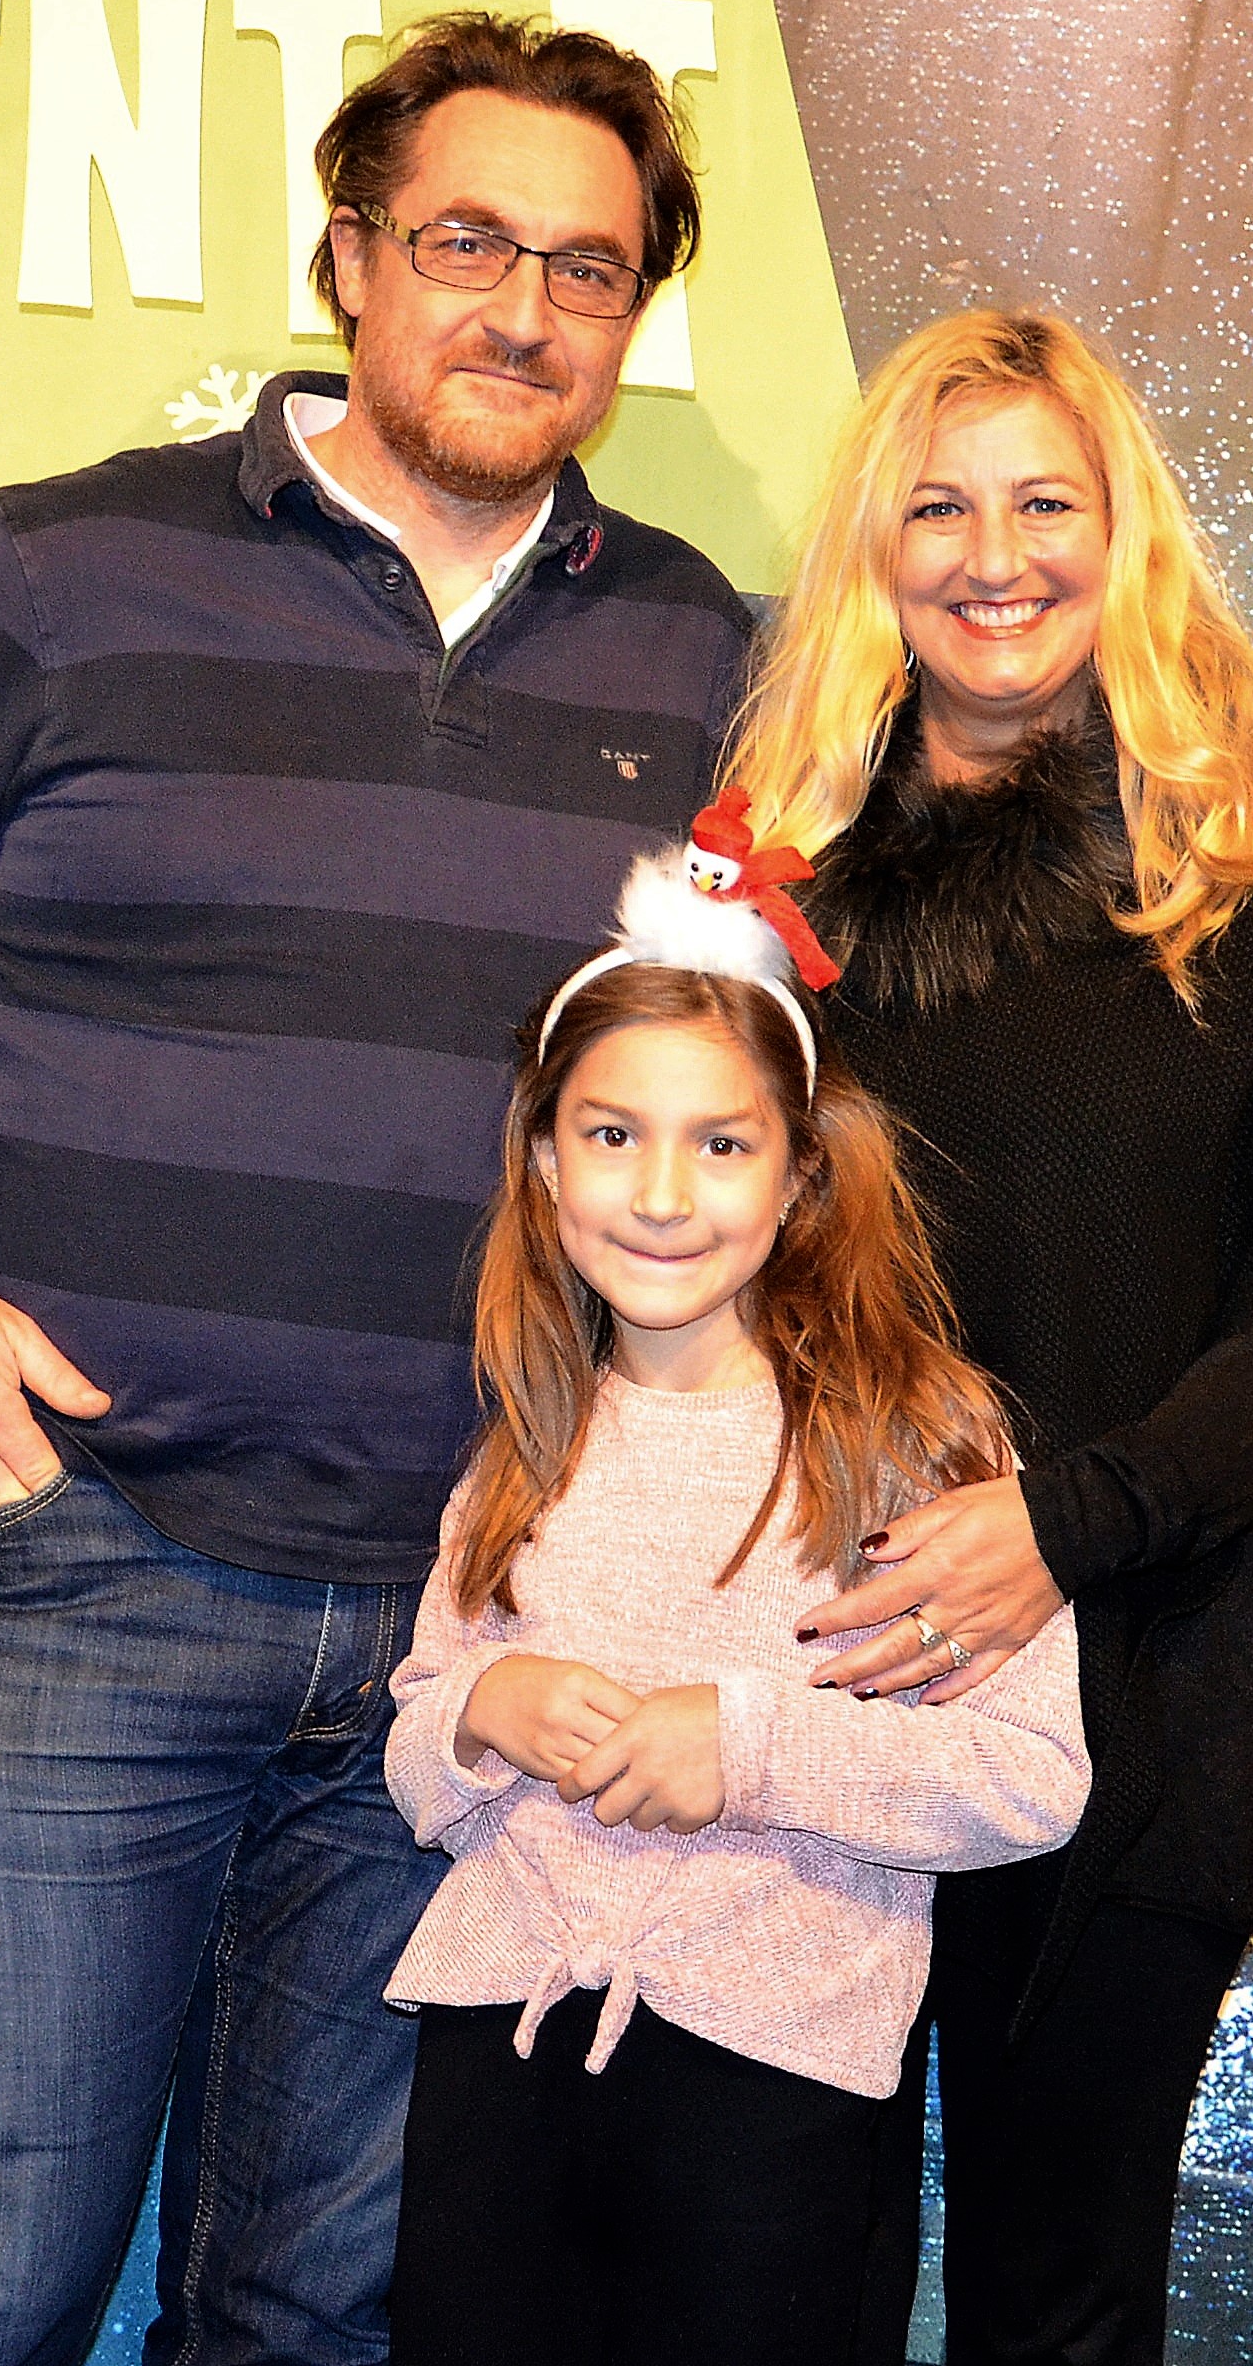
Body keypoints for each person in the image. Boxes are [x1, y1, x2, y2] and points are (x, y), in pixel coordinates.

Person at [0, 9, 760, 2366]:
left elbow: (759, 1111)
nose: (523, 310)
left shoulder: (703, 653)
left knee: (315, 2320)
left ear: (633, 314)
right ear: (351, 256)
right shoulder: (73, 568)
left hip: (483, 1628)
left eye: (586, 268)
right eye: (466, 243)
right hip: (75, 1577)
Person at [709, 310, 1253, 2364]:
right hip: (800, 1683)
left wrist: (1065, 1525)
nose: (993, 555)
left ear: (1120, 533)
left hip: (1142, 1694)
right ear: (873, 553)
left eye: (1042, 501)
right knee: (764, 2289)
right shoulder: (755, 899)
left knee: (1055, 2313)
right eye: (936, 507)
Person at [377, 820, 1088, 2366]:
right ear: (544, 1159)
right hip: (498, 2065)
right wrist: (487, 1710)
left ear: (801, 1170)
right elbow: (420, 1743)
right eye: (610, 1135)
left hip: (770, 2094)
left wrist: (749, 1750)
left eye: (721, 1144)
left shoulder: (917, 1442)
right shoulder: (526, 1441)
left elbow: (1026, 1778)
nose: (660, 1194)